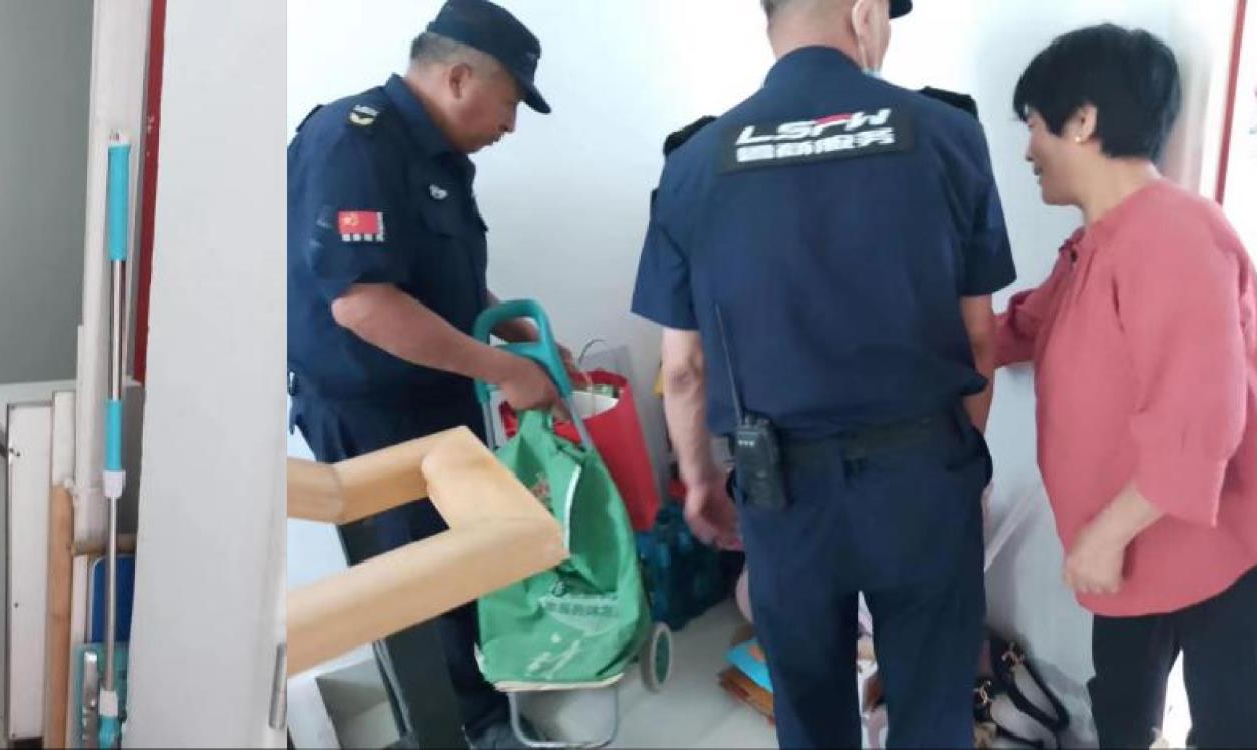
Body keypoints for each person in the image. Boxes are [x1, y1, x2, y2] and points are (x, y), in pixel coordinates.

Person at [630, 0, 1015, 745]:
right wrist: (956, 460)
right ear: (864, 14)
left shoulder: (694, 162)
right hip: (924, 477)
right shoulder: (947, 133)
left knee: (809, 709)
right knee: (933, 706)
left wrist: (701, 482)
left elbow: (683, 369)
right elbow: (979, 336)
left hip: (781, 492)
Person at [285, 0, 576, 745]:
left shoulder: (438, 157)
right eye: (510, 102)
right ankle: (460, 729)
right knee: (414, 590)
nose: (511, 125)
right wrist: (504, 371)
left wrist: (526, 340)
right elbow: (364, 304)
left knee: (459, 570)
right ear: (458, 78)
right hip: (373, 417)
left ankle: (478, 711)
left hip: (437, 400)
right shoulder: (355, 142)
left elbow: (445, 285)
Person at [996, 24, 1257, 749]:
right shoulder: (1096, 243)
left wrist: (1104, 537)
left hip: (1227, 551)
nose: (1028, 150)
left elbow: (1199, 418)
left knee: (1235, 729)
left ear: (1082, 120)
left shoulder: (1174, 232)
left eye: (1034, 124)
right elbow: (1025, 326)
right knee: (1124, 707)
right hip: (1140, 550)